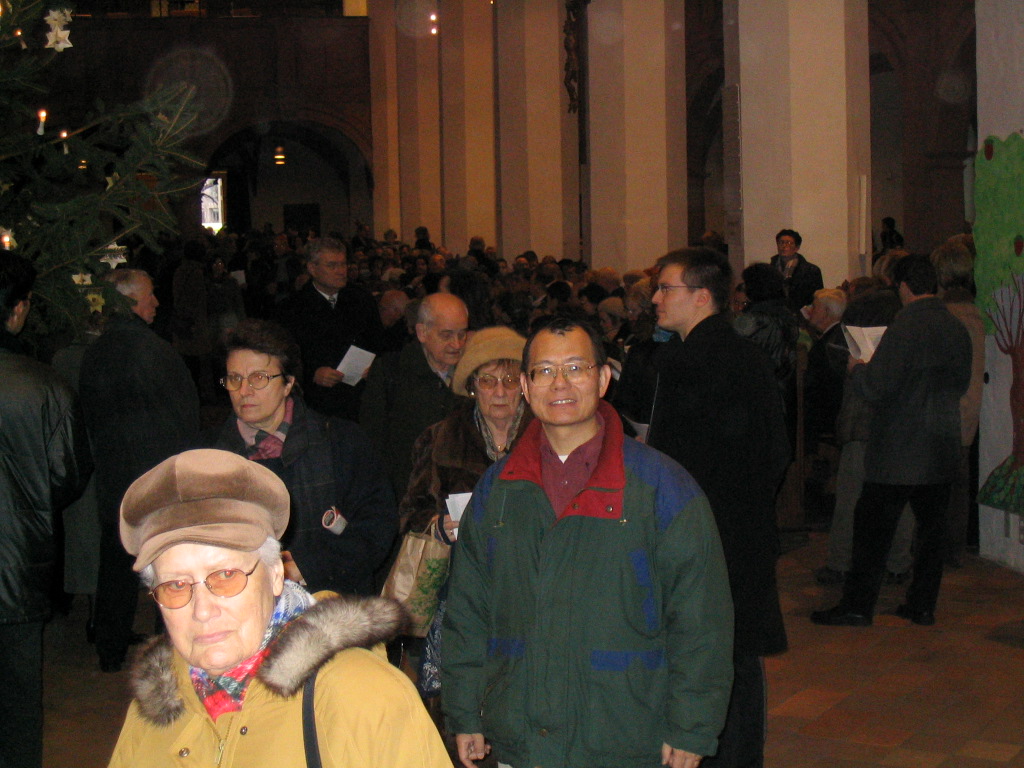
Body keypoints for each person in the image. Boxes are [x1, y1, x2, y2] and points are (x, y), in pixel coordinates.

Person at [442, 316, 734, 768]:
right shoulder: (499, 489)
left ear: (602, 379)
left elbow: (701, 618)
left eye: (576, 368)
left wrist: (692, 724)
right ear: (526, 386)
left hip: (622, 730)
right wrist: (464, 711)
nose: (560, 383)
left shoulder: (661, 486)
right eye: (544, 371)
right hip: (521, 728)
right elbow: (467, 610)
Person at [107, 449, 452, 768]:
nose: (202, 611)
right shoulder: (154, 708)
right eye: (176, 585)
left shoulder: (365, 699)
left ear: (275, 574)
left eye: (226, 575)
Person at [647, 247, 790, 768]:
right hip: (742, 528)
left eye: (666, 288)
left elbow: (671, 464)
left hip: (704, 534)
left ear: (702, 297)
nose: (656, 298)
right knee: (739, 655)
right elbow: (777, 449)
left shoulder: (688, 362)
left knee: (706, 653)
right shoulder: (745, 354)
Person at [812, 254, 972, 627]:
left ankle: (857, 606)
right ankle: (921, 605)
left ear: (902, 286)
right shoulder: (954, 326)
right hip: (941, 443)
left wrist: (858, 370)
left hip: (900, 447)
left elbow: (877, 386)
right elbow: (961, 382)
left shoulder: (905, 326)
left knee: (871, 532)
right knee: (930, 536)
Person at [212, 319, 397, 596]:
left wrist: (309, 565)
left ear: (288, 383)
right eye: (235, 379)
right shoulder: (209, 457)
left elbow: (377, 525)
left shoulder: (341, 442)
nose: (244, 391)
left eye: (259, 378)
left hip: (332, 604)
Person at [400, 327, 532, 700]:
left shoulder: (547, 437)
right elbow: (410, 511)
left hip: (530, 585)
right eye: (488, 381)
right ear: (473, 386)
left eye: (510, 380)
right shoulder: (441, 437)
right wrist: (437, 525)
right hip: (462, 586)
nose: (500, 391)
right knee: (465, 690)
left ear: (524, 385)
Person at [80, 268, 200, 672]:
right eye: (150, 295)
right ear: (130, 300)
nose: (156, 302)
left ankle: (109, 646)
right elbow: (185, 417)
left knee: (116, 563)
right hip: (157, 478)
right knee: (166, 564)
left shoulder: (96, 352)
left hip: (115, 477)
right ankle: (168, 645)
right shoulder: (154, 350)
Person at [0, 251, 91, 768]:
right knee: (17, 705)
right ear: (17, 310)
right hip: (16, 567)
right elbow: (68, 475)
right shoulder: (43, 385)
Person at [360, 292, 470, 498]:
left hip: (461, 493)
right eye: (446, 335)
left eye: (462, 334)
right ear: (422, 332)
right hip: (406, 494)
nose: (456, 344)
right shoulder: (390, 372)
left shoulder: (475, 374)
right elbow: (373, 440)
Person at [277, 237, 384, 421]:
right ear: (312, 268)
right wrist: (312, 373)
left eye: (343, 264)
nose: (341, 271)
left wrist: (375, 366)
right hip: (318, 401)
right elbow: (285, 357)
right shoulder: (293, 308)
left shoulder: (361, 299)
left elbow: (379, 341)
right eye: (332, 265)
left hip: (361, 396)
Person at [932, 241, 985, 568]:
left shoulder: (947, 315)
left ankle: (940, 551)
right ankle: (952, 550)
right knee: (958, 486)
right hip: (968, 410)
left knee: (941, 489)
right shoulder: (974, 312)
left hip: (947, 411)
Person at [770, 228, 823, 313]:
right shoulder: (770, 270)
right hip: (775, 314)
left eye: (789, 243)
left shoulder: (811, 271)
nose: (784, 246)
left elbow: (817, 298)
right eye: (781, 242)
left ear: (797, 247)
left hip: (800, 315)